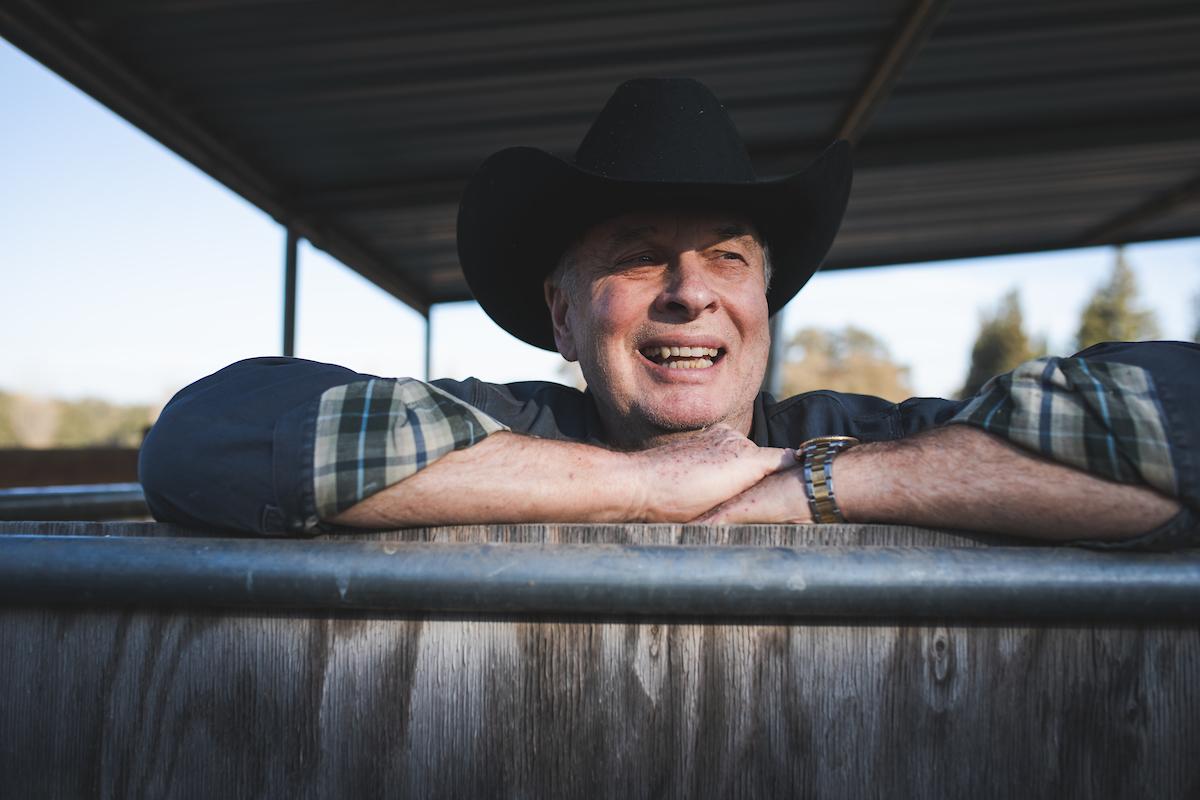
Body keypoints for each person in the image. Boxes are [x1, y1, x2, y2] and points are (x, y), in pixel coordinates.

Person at [139, 78, 1198, 547]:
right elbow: (209, 439)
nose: (691, 290)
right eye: (641, 257)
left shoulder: (869, 437)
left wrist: (820, 487)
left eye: (728, 257)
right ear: (563, 317)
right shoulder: (502, 426)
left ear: (761, 305)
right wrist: (647, 488)